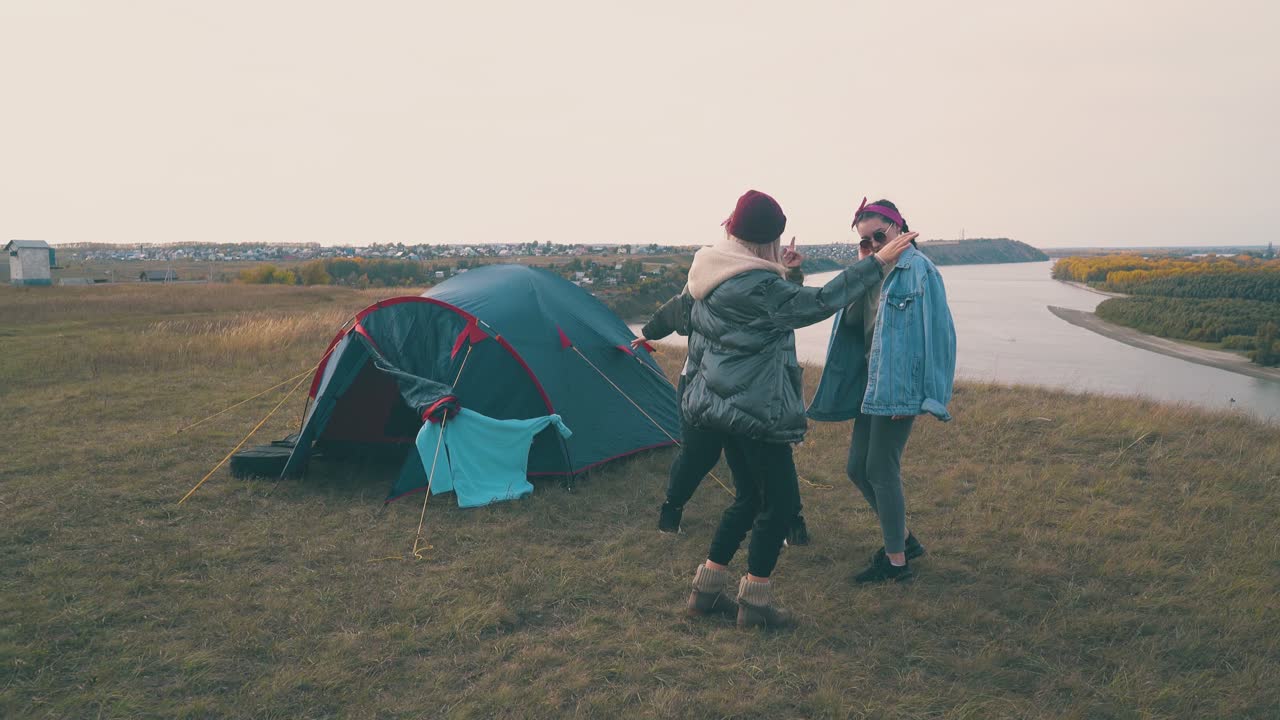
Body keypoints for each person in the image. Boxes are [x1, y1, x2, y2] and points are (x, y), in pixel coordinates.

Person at [681, 190, 912, 629]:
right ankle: (755, 604)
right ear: (768, 239)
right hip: (755, 409)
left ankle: (705, 593)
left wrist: (789, 273)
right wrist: (877, 263)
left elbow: (772, 308)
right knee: (781, 505)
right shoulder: (756, 285)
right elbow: (817, 303)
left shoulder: (712, 272)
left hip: (719, 406)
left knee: (748, 499)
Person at [808, 198, 956, 583]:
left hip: (899, 387)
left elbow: (939, 337)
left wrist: (921, 396)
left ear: (899, 229)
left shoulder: (919, 270)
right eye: (865, 240)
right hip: (870, 384)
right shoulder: (872, 271)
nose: (874, 244)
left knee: (880, 468)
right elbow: (851, 323)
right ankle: (903, 539)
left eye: (879, 236)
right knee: (857, 468)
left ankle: (896, 562)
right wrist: (864, 270)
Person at [633, 242, 813, 545]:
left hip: (749, 389)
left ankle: (790, 521)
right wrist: (648, 332)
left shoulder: (767, 278)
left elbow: (789, 307)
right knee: (699, 453)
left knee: (768, 455)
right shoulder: (711, 273)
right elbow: (680, 306)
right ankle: (671, 509)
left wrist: (792, 272)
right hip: (700, 383)